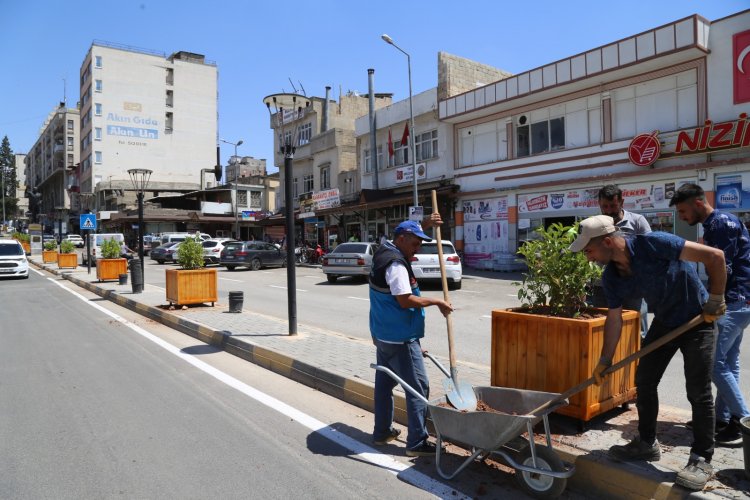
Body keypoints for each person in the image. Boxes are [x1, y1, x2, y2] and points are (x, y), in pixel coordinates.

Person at [569, 214, 726, 492]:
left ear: (607, 241)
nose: (588, 259)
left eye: (589, 251)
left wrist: (716, 299)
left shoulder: (654, 244)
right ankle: (646, 443)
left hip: (698, 319)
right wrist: (605, 361)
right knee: (644, 380)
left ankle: (702, 457)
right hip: (665, 323)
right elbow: (614, 321)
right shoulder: (612, 277)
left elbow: (715, 256)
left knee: (698, 392)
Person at [670, 183, 750, 445]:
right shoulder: (718, 223)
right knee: (729, 363)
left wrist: (712, 300)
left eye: (683, 211)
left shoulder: (719, 225)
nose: (682, 217)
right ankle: (724, 420)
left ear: (697, 203)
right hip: (740, 300)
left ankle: (744, 420)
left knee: (714, 365)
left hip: (733, 300)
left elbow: (721, 267)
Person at [370, 215, 453, 456]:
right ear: (402, 239)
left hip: (383, 334)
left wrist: (426, 223)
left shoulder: (384, 249)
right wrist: (437, 301)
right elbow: (405, 301)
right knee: (418, 387)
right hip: (400, 337)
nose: (417, 250)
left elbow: (406, 231)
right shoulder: (396, 265)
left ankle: (382, 432)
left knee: (384, 385)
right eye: (415, 244)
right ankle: (416, 442)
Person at [597, 184, 652, 336]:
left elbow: (650, 251)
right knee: (604, 330)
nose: (608, 210)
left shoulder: (637, 221)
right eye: (604, 206)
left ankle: (639, 360)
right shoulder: (595, 224)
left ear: (622, 202)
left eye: (613, 206)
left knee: (636, 332)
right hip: (602, 288)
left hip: (632, 287)